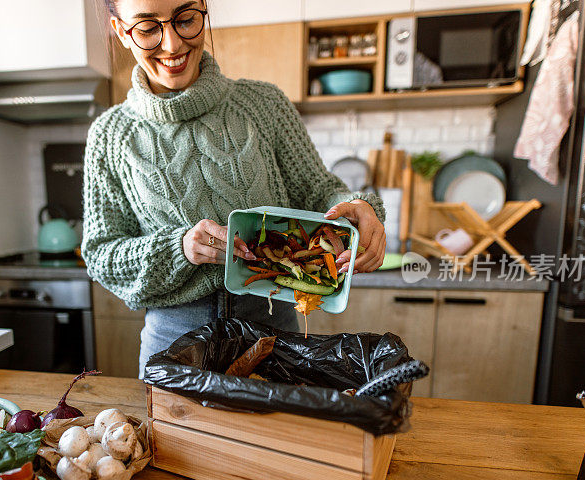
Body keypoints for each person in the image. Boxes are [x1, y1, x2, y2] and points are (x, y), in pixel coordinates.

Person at [83, 0, 387, 376]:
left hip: (274, 332)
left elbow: (321, 191)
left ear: (204, 11)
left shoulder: (264, 104)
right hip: (176, 343)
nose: (173, 44)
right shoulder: (110, 136)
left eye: (186, 19)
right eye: (147, 28)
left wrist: (356, 206)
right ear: (121, 32)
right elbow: (99, 254)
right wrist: (178, 248)